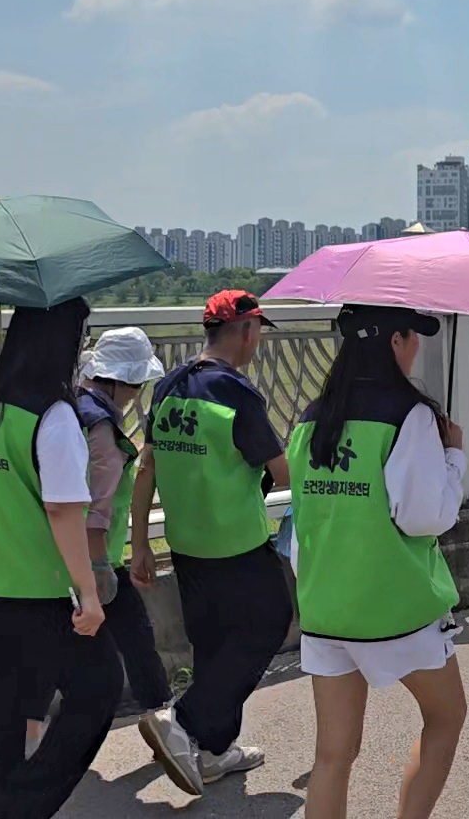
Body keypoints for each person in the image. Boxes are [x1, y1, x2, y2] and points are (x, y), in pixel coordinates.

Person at [0, 299, 121, 819]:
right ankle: (17, 809)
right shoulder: (54, 412)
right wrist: (88, 592)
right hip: (34, 589)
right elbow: (63, 510)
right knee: (98, 688)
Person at [291, 306, 469, 819]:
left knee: (333, 756)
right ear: (395, 340)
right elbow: (425, 518)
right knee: (446, 717)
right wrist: (453, 457)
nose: (417, 347)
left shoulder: (312, 416)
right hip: (393, 605)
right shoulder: (409, 415)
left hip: (324, 605)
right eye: (414, 337)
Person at [132, 290, 293, 795]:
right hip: (236, 542)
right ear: (246, 331)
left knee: (214, 645)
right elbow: (282, 471)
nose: (258, 341)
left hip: (186, 543)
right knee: (268, 624)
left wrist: (140, 542)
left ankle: (214, 750)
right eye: (258, 332)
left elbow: (147, 467)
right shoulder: (235, 393)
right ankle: (182, 721)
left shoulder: (169, 386)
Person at [21, 327, 178, 755]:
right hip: (93, 557)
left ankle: (30, 741)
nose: (137, 393)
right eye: (138, 384)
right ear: (122, 381)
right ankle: (167, 729)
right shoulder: (103, 431)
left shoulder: (67, 407)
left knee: (56, 656)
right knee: (133, 642)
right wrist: (97, 570)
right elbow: (94, 511)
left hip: (51, 554)